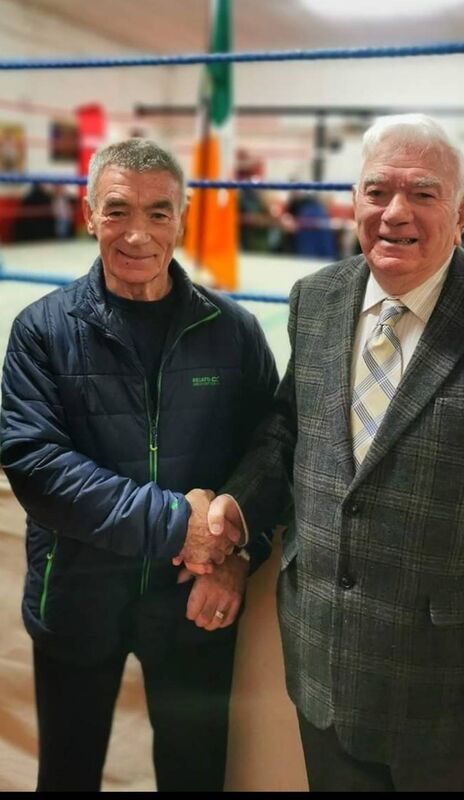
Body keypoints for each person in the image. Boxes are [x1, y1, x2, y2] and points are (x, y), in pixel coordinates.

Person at [181, 114, 464, 791]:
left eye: (422, 194)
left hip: (460, 684)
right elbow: (289, 429)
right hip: (323, 664)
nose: (394, 213)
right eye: (376, 191)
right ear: (353, 201)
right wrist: (238, 509)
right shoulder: (317, 298)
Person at [0, 138, 278, 792]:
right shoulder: (42, 330)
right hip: (75, 594)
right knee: (66, 774)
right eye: (118, 210)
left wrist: (238, 553)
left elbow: (271, 449)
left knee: (193, 775)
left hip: (193, 597)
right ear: (90, 215)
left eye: (158, 213)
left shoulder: (231, 329)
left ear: (182, 218)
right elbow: (36, 465)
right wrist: (182, 526)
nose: (136, 234)